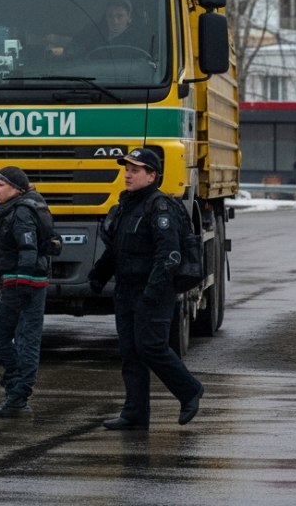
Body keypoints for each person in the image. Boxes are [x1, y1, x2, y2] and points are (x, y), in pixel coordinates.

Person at [87, 148, 204, 430]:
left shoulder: (160, 207)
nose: (127, 175)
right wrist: (99, 275)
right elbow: (116, 249)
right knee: (130, 353)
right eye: (126, 169)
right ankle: (135, 414)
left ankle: (190, 390)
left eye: (135, 170)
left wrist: (153, 293)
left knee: (150, 347)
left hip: (153, 291)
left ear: (152, 176)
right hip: (126, 291)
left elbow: (168, 255)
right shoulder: (126, 205)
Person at [0, 166, 53, 418]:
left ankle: (17, 393)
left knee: (3, 337)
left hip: (20, 284)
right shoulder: (29, 205)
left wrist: (22, 283)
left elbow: (28, 248)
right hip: (24, 282)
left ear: (15, 188)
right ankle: (17, 392)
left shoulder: (22, 211)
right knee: (21, 338)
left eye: (0, 185)